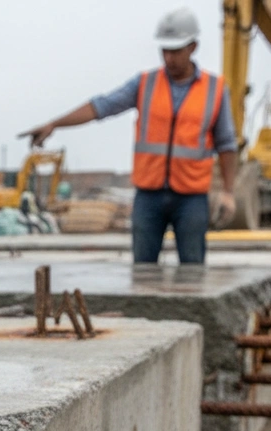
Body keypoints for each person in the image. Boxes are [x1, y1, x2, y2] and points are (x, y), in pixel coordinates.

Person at [21, 7, 238, 265]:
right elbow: (102, 106)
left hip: (191, 198)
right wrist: (55, 124)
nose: (168, 58)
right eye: (164, 50)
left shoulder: (214, 89)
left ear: (193, 47)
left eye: (175, 51)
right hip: (149, 195)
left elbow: (227, 144)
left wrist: (228, 192)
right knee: (143, 270)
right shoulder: (146, 83)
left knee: (193, 269)